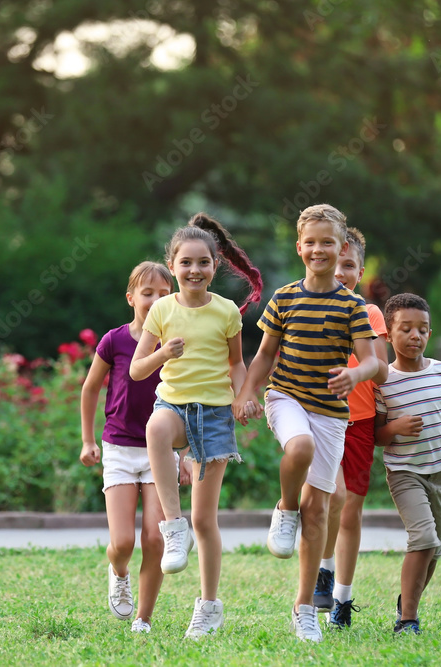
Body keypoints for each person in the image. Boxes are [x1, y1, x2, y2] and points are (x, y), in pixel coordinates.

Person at [233, 204, 387, 643]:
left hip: (331, 412)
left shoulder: (352, 305)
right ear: (299, 246)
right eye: (311, 242)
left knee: (319, 508)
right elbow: (263, 355)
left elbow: (374, 364)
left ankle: (304, 609)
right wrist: (247, 393)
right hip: (285, 397)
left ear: (341, 249)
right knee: (297, 450)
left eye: (328, 243)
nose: (319, 250)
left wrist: (354, 374)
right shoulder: (284, 297)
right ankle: (284, 508)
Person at [129, 213, 262, 639]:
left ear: (215, 266)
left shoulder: (226, 312)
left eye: (203, 262)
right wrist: (164, 353)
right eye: (186, 262)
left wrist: (245, 396)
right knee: (155, 429)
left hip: (215, 415)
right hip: (174, 405)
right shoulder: (161, 310)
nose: (194, 270)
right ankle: (172, 527)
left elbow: (236, 364)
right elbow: (136, 369)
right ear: (173, 266)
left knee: (207, 519)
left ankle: (208, 605)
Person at [79, 261, 192, 634]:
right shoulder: (115, 340)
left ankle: (143, 618)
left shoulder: (177, 343)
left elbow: (192, 398)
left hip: (160, 450)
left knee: (155, 538)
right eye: (148, 293)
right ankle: (119, 571)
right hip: (118, 448)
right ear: (132, 298)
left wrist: (188, 454)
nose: (156, 299)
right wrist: (87, 439)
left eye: (164, 293)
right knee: (123, 541)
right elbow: (91, 388)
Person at [373, 293, 441, 635]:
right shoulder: (383, 380)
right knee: (424, 539)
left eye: (423, 329)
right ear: (389, 334)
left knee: (434, 550)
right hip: (404, 473)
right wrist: (395, 428)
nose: (415, 336)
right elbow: (376, 436)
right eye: (406, 329)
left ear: (430, 334)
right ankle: (407, 620)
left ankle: (408, 600)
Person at [309, 228, 389, 629]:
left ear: (360, 270)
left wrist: (354, 374)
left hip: (358, 423)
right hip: (320, 417)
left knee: (350, 511)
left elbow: (383, 369)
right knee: (327, 501)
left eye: (350, 266)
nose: (342, 273)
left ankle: (342, 597)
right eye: (337, 264)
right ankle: (322, 570)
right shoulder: (309, 305)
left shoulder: (369, 314)